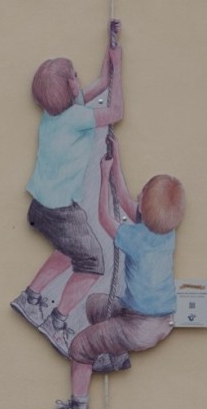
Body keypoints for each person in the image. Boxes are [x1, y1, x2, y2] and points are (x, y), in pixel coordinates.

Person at [42, 138, 184, 409]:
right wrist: (115, 156)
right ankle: (116, 356)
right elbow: (125, 200)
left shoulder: (134, 238)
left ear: (145, 205)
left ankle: (78, 408)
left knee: (80, 346)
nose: (137, 195)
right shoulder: (165, 234)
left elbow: (105, 217)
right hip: (159, 321)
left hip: (137, 326)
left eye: (142, 193)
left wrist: (104, 174)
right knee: (96, 305)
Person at [12, 20, 124, 356]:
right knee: (93, 263)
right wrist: (120, 70)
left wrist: (111, 54)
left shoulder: (54, 115)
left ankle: (30, 297)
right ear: (69, 87)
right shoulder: (76, 118)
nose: (79, 79)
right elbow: (116, 111)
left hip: (40, 208)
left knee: (68, 249)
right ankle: (58, 321)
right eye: (75, 76)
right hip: (62, 210)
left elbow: (102, 83)